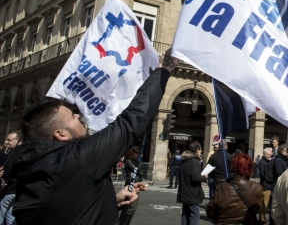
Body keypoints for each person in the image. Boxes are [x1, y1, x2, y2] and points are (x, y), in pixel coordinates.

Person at [11, 51, 178, 224]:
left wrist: (110, 201)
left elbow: (66, 209)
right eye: (72, 117)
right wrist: (163, 69)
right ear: (60, 134)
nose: (78, 116)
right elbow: (131, 121)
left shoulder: (30, 166)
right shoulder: (76, 158)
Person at [207, 152, 263, 224]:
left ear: (233, 167)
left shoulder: (221, 187)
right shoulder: (257, 188)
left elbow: (211, 212)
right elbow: (257, 209)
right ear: (249, 168)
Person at [177, 141, 207, 225]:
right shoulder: (194, 161)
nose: (201, 151)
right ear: (197, 150)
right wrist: (205, 177)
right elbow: (196, 178)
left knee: (185, 215)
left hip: (184, 191)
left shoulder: (184, 161)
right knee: (195, 215)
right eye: (201, 149)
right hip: (192, 193)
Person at [0, 131, 24, 225]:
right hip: (17, 191)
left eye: (9, 140)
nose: (6, 142)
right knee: (11, 218)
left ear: (18, 141)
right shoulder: (25, 151)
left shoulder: (13, 154)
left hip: (8, 189)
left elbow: (7, 173)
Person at [120, 146, 143, 225]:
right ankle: (124, 222)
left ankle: (126, 222)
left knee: (133, 206)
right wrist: (140, 161)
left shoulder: (134, 161)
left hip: (136, 184)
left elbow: (138, 171)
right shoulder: (128, 161)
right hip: (131, 184)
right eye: (138, 154)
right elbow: (137, 169)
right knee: (131, 207)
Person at [258, 147, 274, 223]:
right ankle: (261, 218)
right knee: (264, 203)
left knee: (267, 203)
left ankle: (263, 217)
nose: (269, 156)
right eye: (267, 154)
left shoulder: (268, 161)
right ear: (264, 154)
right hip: (265, 185)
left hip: (269, 185)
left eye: (270, 154)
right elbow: (263, 174)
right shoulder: (262, 162)